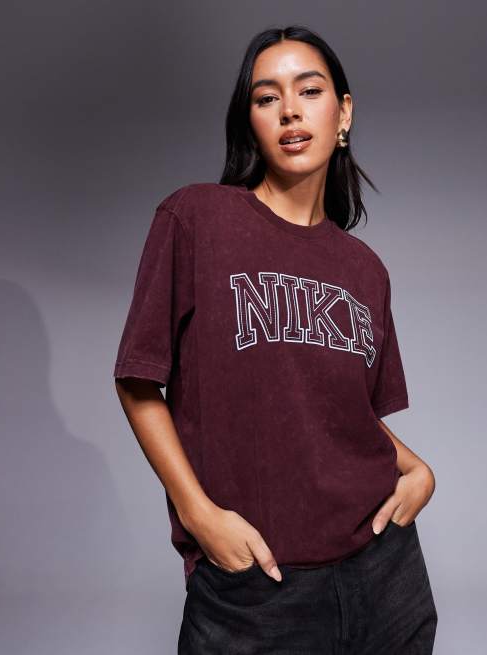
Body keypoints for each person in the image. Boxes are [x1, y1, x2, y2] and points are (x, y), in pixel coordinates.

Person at [113, 24, 438, 655]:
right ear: (251, 120)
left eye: (309, 91)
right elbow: (137, 379)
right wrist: (200, 516)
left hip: (386, 575)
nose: (290, 110)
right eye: (267, 97)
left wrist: (416, 468)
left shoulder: (365, 269)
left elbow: (342, 414)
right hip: (257, 591)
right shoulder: (196, 218)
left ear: (343, 113)